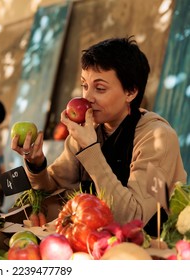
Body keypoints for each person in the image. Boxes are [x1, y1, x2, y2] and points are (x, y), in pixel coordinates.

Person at [11, 36, 187, 237]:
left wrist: (90, 149)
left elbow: (133, 218)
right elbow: (53, 186)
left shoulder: (157, 137)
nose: (87, 98)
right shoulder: (89, 129)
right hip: (94, 243)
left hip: (148, 250)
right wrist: (36, 163)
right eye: (85, 86)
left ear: (130, 92)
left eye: (100, 88)